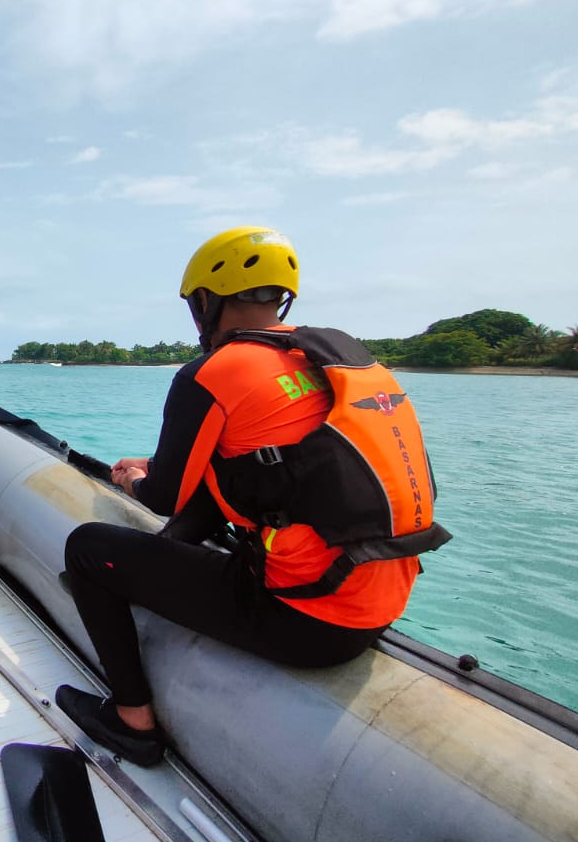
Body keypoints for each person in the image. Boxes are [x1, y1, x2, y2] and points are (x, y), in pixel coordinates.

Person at [57, 226, 450, 766]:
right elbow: (293, 463)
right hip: (380, 604)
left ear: (204, 302)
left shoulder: (211, 372)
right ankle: (149, 576)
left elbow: (165, 496)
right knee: (211, 506)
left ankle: (132, 722)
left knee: (85, 546)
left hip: (305, 621)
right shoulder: (340, 361)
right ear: (280, 298)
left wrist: (132, 479)